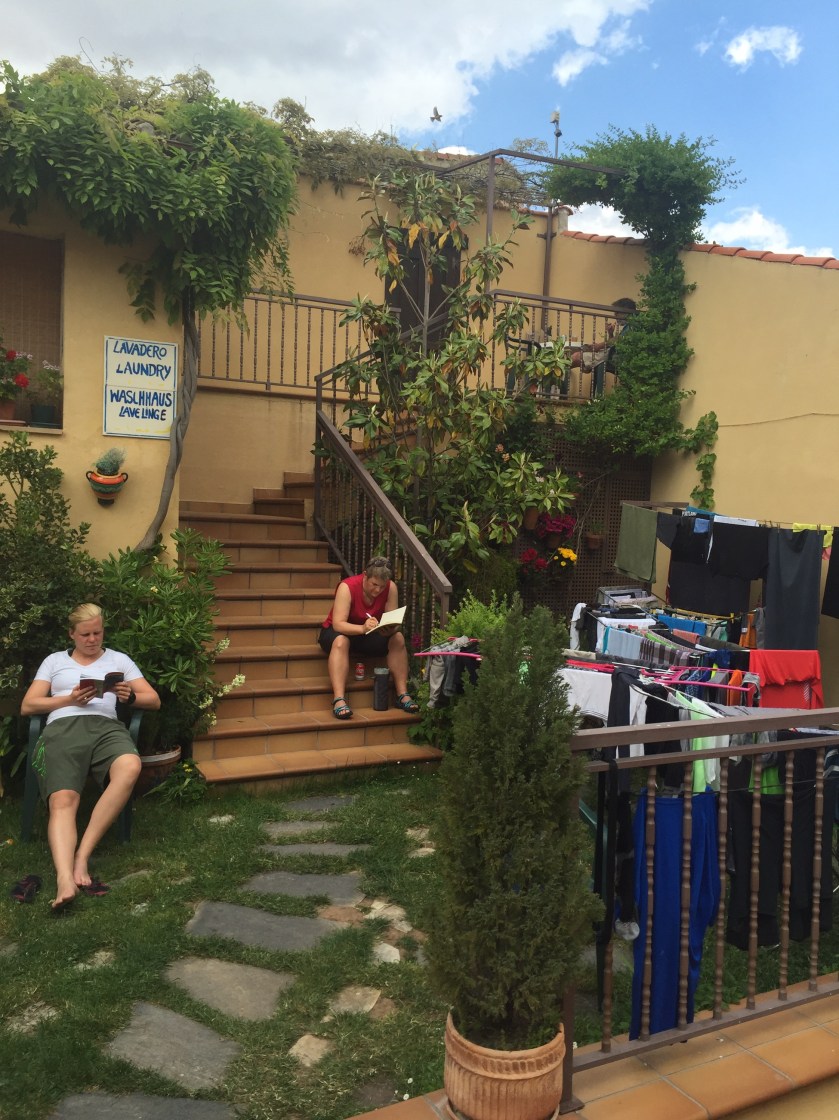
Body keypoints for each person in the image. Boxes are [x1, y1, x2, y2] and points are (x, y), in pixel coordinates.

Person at [20, 603, 160, 912]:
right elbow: (28, 706)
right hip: (63, 728)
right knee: (63, 799)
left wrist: (130, 697)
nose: (93, 639)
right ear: (71, 634)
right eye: (85, 634)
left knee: (130, 765)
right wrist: (69, 699)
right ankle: (64, 879)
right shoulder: (54, 661)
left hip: (106, 729)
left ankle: (82, 856)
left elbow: (154, 699)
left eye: (97, 632)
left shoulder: (119, 660)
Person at [318, 556, 418, 719]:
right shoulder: (347, 586)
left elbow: (393, 621)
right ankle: (339, 700)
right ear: (365, 575)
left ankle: (402, 695)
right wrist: (362, 628)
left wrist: (389, 629)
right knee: (341, 641)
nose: (378, 590)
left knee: (398, 638)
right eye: (374, 584)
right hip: (340, 632)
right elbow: (338, 624)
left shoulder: (391, 588)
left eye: (382, 586)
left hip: (369, 633)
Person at [569, 297, 638, 392]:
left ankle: (555, 381)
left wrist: (599, 346)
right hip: (611, 354)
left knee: (575, 357)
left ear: (625, 311)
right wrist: (610, 333)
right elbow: (615, 342)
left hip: (614, 357)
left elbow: (617, 341)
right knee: (577, 357)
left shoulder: (634, 326)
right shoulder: (629, 326)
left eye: (617, 313)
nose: (615, 316)